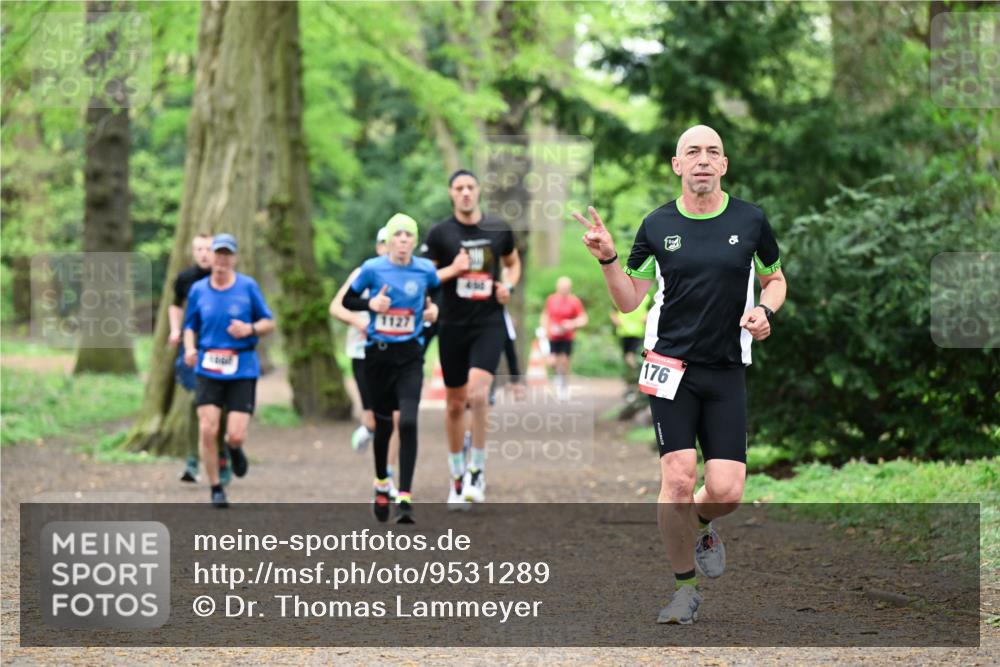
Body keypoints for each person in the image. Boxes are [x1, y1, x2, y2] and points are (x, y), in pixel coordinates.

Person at [574, 124, 786, 625]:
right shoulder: (656, 225)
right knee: (677, 476)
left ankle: (704, 521)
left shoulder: (751, 221)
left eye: (713, 152)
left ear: (724, 165)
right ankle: (684, 590)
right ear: (677, 165)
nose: (703, 160)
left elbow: (775, 280)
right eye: (692, 152)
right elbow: (629, 301)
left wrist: (765, 310)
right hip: (669, 365)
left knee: (727, 489)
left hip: (726, 367)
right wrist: (607, 257)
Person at [423, 169, 521, 509]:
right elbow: (426, 277)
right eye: (458, 188)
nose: (465, 193)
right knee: (454, 405)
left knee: (478, 396)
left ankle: (476, 471)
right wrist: (453, 269)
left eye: (470, 187)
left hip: (488, 322)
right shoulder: (439, 233)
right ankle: (456, 476)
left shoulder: (498, 229)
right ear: (451, 194)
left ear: (478, 191)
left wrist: (507, 286)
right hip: (452, 325)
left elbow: (512, 263)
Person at [342, 214, 443, 524]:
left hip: (410, 357)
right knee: (383, 427)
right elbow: (347, 300)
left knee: (409, 422)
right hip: (378, 356)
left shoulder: (425, 269)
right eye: (397, 235)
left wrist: (434, 309)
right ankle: (382, 483)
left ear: (413, 241)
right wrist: (370, 305)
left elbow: (437, 294)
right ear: (388, 242)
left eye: (407, 235)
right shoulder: (372, 268)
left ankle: (406, 498)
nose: (402, 240)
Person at [184, 233, 276, 508]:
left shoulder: (248, 287)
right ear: (210, 256)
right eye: (218, 254)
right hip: (208, 367)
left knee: (234, 434)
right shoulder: (199, 290)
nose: (222, 260)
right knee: (207, 429)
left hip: (242, 368)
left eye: (227, 255)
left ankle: (234, 448)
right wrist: (190, 348)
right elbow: (191, 325)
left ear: (234, 258)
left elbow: (268, 322)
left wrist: (250, 328)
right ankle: (216, 488)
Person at [329, 226, 402, 498]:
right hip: (363, 353)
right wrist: (358, 320)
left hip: (395, 353)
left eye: (391, 242)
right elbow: (336, 307)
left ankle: (387, 476)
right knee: (374, 418)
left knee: (395, 416)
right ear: (377, 247)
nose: (387, 248)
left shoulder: (407, 275)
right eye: (383, 243)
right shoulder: (363, 274)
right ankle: (368, 428)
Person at [170, 234, 233, 485]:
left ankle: (223, 456)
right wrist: (175, 330)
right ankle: (192, 460)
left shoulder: (228, 279)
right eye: (199, 249)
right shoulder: (185, 279)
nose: (204, 254)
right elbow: (175, 306)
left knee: (223, 406)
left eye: (208, 248)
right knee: (195, 403)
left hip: (222, 350)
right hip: (192, 350)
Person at [540, 276, 588, 400]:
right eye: (561, 287)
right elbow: (546, 315)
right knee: (552, 362)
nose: (563, 289)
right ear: (557, 287)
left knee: (565, 361)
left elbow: (583, 319)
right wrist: (545, 329)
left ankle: (564, 385)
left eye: (566, 287)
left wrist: (572, 324)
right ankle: (558, 376)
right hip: (553, 336)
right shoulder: (551, 299)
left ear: (569, 288)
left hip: (567, 336)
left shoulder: (574, 301)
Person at [610, 291, 653, 401]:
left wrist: (646, 317)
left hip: (637, 332)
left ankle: (637, 379)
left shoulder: (646, 297)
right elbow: (613, 312)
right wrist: (616, 321)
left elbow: (651, 310)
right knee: (627, 359)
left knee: (631, 357)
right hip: (624, 332)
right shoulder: (621, 294)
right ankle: (631, 384)